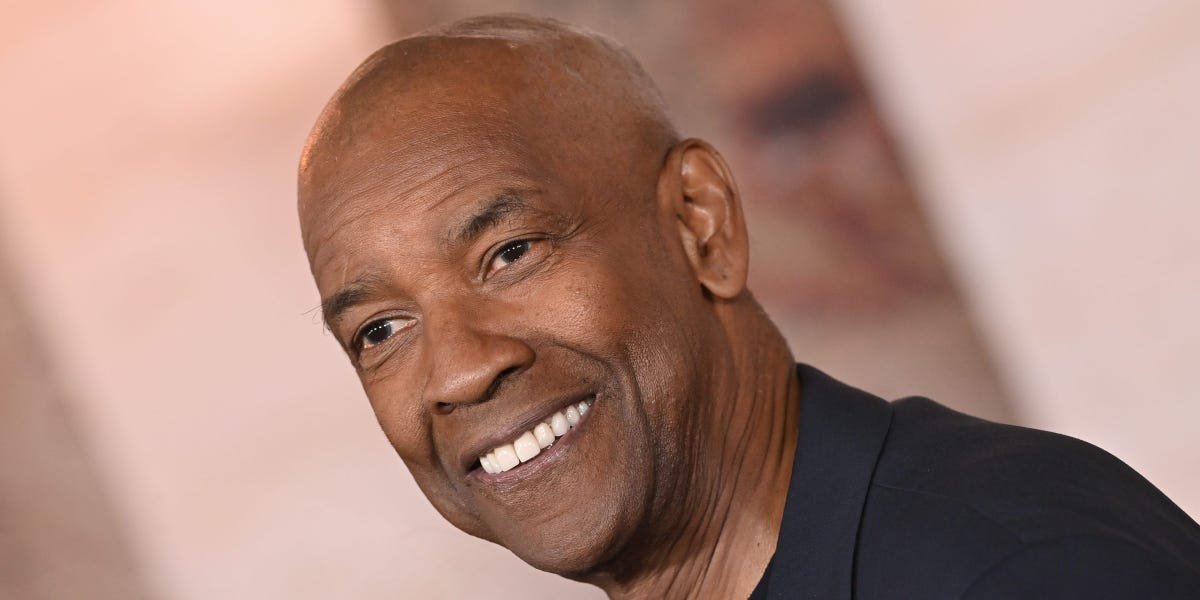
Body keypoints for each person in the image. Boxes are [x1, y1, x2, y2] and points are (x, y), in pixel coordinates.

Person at [297, 13, 1200, 599]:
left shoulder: (1020, 572)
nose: (458, 370)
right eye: (379, 331)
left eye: (511, 253)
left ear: (701, 223)